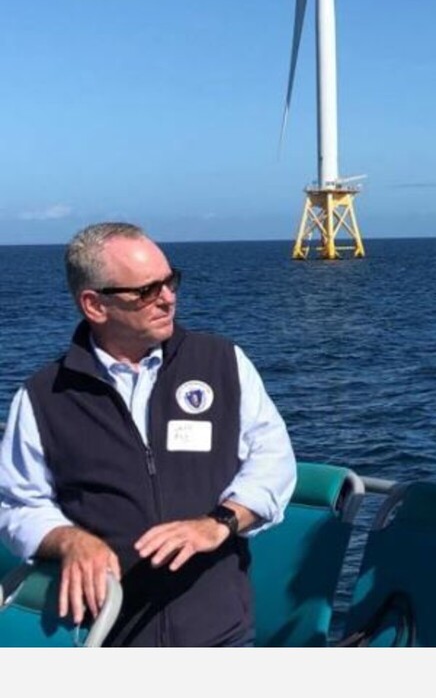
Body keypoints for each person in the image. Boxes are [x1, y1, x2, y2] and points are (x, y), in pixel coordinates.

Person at [0, 222, 297, 647]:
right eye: (146, 291)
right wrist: (68, 540)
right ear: (94, 305)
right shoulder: (43, 397)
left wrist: (220, 522)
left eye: (170, 281)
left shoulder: (222, 363)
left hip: (219, 634)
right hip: (107, 637)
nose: (168, 297)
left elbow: (273, 460)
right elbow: (18, 504)